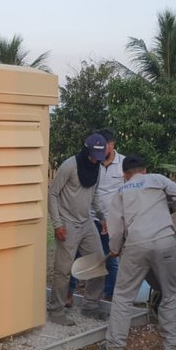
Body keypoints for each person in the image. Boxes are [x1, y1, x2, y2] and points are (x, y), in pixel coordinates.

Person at [99, 154, 176, 350]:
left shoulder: (121, 191)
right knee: (169, 293)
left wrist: (114, 248)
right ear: (144, 170)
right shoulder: (157, 179)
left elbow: (115, 226)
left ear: (125, 175)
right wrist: (171, 207)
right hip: (165, 241)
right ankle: (172, 346)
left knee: (123, 295)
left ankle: (114, 347)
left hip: (136, 244)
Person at [47, 132, 109, 326]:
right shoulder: (69, 166)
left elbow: (95, 194)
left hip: (87, 222)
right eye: (93, 156)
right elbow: (52, 194)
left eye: (99, 158)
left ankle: (90, 305)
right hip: (67, 223)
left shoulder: (96, 167)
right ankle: (56, 311)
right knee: (63, 270)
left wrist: (102, 216)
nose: (95, 161)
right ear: (86, 150)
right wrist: (57, 224)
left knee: (98, 262)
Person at [66, 128, 125, 305]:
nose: (98, 151)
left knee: (110, 259)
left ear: (112, 145)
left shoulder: (123, 164)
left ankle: (108, 297)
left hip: (112, 221)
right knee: (76, 256)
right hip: (87, 218)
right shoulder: (90, 162)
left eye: (103, 146)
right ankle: (69, 293)